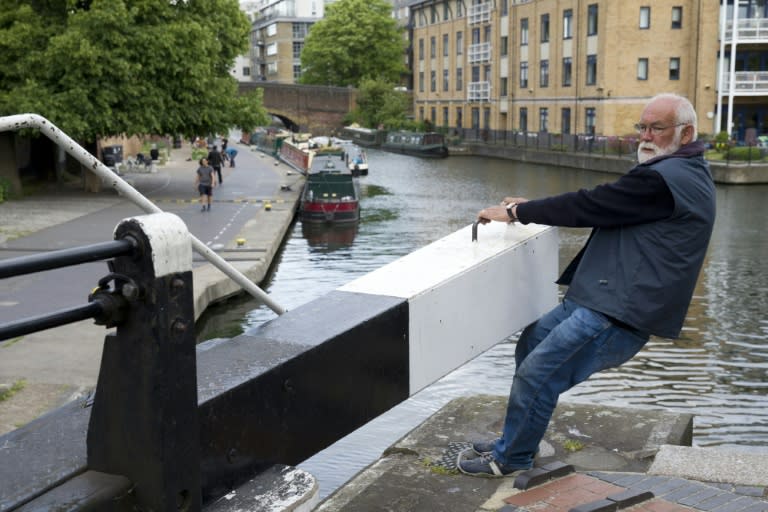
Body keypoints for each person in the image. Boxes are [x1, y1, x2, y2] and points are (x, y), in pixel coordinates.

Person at [458, 93, 716, 478]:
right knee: (532, 343)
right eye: (641, 127)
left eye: (656, 128)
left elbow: (591, 205)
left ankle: (510, 459)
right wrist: (535, 205)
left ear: (686, 132)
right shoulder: (679, 172)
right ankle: (518, 437)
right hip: (597, 296)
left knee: (540, 372)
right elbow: (611, 205)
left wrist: (517, 212)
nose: (645, 136)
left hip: (617, 311)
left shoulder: (666, 179)